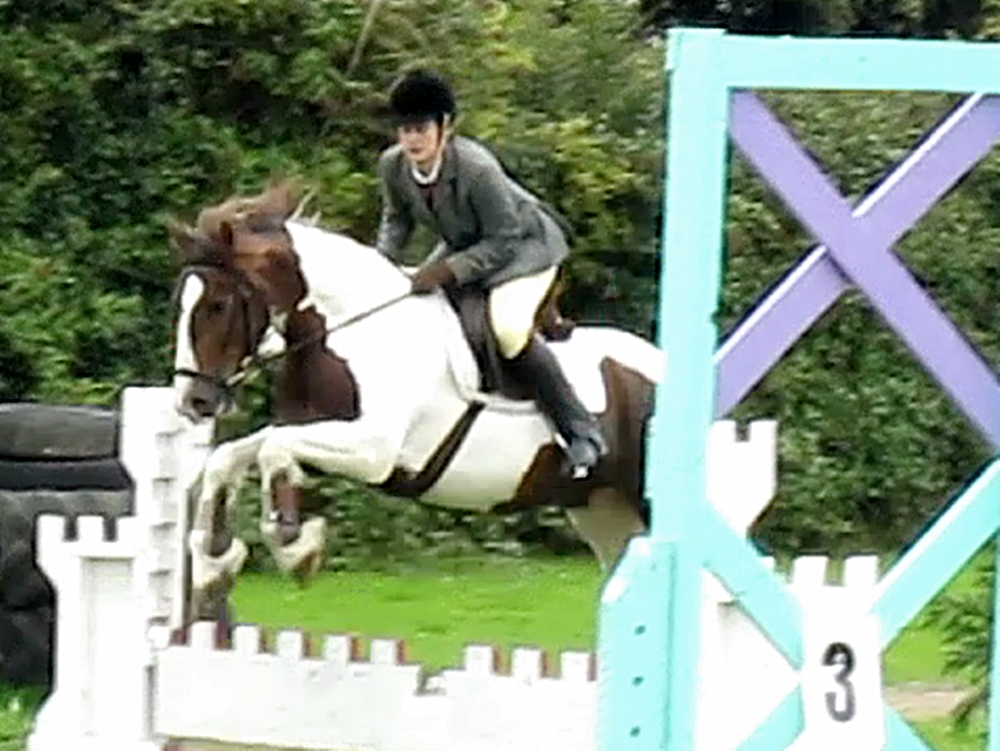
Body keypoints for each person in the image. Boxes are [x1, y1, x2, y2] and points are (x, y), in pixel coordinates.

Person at [374, 68, 608, 480]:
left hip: (525, 247)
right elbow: (397, 222)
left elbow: (504, 239)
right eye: (405, 129)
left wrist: (447, 270)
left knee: (508, 330)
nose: (412, 140)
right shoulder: (392, 166)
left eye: (421, 128)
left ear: (445, 127)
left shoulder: (477, 168)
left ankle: (581, 432)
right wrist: (379, 267)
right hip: (470, 243)